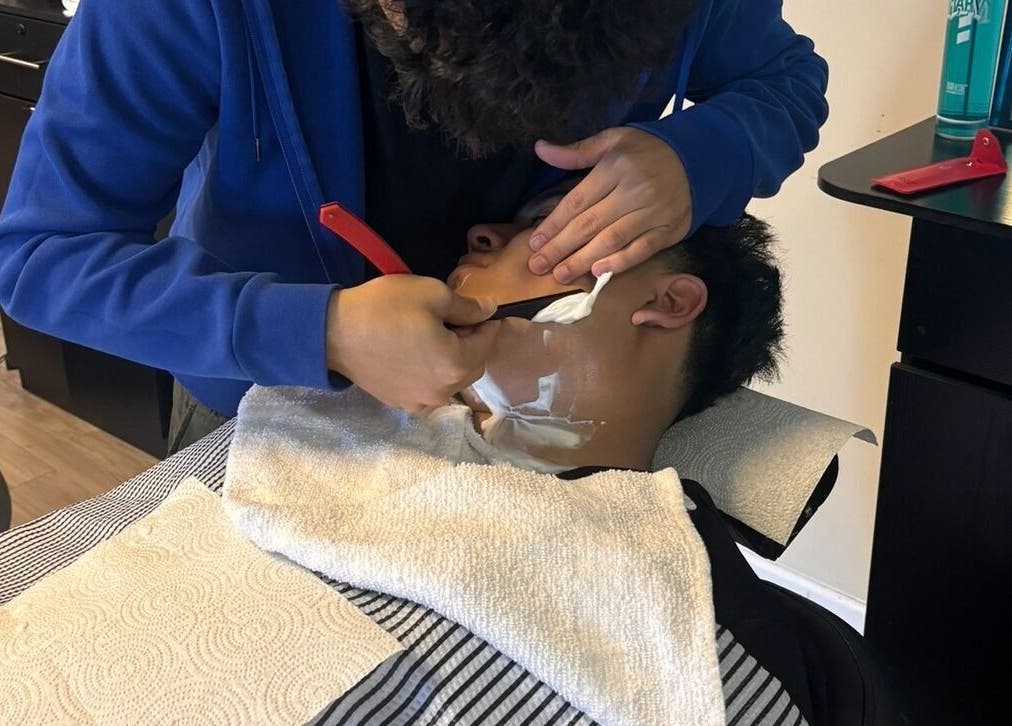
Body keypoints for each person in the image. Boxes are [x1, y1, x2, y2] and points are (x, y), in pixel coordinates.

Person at [0, 0, 829, 445]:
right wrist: (314, 329)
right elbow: (40, 254)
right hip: (256, 403)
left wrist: (704, 153)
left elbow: (787, 81)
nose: (481, 233)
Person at [224, 203, 894, 724]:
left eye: (545, 224)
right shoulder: (328, 423)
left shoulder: (679, 611)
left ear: (667, 304)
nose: (483, 234)